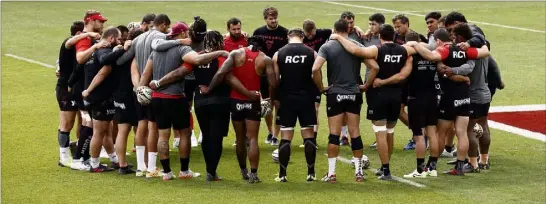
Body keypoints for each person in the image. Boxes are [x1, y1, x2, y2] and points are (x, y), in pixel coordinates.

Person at [139, 22, 228, 180]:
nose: (189, 36)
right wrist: (219, 52)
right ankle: (184, 171)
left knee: (163, 135)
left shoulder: (156, 51)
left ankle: (166, 173)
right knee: (185, 133)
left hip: (157, 98)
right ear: (181, 34)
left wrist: (140, 89)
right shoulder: (182, 49)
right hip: (175, 97)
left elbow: (146, 73)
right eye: (186, 33)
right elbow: (196, 61)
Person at [330, 24, 416, 180]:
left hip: (378, 95)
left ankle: (386, 170)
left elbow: (356, 50)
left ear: (380, 37)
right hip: (396, 95)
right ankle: (385, 167)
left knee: (380, 133)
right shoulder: (403, 50)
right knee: (390, 131)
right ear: (394, 36)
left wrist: (338, 37)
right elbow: (415, 53)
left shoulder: (377, 50)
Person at [408, 28, 490, 176]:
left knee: (440, 134)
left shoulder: (444, 50)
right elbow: (484, 52)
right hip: (464, 95)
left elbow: (431, 56)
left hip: (449, 96)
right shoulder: (464, 49)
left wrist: (415, 44)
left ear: (439, 40)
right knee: (462, 132)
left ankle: (431, 166)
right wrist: (483, 45)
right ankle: (459, 167)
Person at [206, 36, 276, 184]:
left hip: (236, 101)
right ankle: (253, 174)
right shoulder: (265, 59)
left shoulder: (236, 54)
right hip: (253, 101)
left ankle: (243, 170)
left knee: (239, 138)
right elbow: (272, 83)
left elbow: (220, 74)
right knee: (252, 139)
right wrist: (270, 101)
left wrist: (209, 90)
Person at [315, 20, 376, 183]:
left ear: (334, 30)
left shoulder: (327, 46)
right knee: (355, 133)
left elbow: (315, 69)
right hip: (354, 93)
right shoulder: (356, 46)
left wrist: (321, 87)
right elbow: (375, 67)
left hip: (335, 94)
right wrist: (365, 86)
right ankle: (358, 173)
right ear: (348, 30)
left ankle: (332, 174)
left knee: (334, 135)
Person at [116, 13, 171, 177]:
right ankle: (152, 168)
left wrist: (121, 47)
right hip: (155, 87)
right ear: (162, 24)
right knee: (153, 127)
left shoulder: (138, 40)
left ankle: (141, 167)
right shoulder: (163, 37)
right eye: (167, 26)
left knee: (141, 125)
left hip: (139, 89)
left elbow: (121, 60)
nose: (167, 29)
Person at [272, 28, 318, 182]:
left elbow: (276, 80)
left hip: (287, 99)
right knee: (308, 135)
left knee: (286, 136)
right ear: (302, 37)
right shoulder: (312, 53)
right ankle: (311, 173)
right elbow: (315, 75)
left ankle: (282, 175)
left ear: (288, 37)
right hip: (306, 98)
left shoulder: (279, 54)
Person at [67, 10, 109, 171]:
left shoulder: (89, 37)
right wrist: (97, 46)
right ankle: (78, 159)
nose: (102, 24)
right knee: (89, 122)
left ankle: (83, 157)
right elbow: (80, 58)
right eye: (100, 22)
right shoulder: (85, 38)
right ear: (91, 21)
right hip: (81, 87)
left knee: (88, 122)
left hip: (83, 85)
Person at [81, 26, 127, 172]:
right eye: (118, 38)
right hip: (100, 98)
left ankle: (115, 160)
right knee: (99, 132)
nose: (120, 41)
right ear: (111, 38)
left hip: (99, 97)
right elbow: (105, 60)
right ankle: (94, 164)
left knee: (107, 130)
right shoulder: (103, 50)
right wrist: (122, 49)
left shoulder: (98, 51)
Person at [402, 32, 439, 178]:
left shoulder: (411, 57)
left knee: (418, 135)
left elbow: (404, 75)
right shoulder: (431, 54)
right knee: (432, 133)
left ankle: (419, 170)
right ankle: (433, 168)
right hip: (432, 97)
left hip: (416, 98)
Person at [252, 6, 288, 146]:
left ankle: (275, 135)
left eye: (275, 18)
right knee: (267, 104)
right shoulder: (258, 32)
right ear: (265, 19)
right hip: (263, 74)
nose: (273, 20)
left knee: (278, 104)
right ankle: (270, 130)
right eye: (270, 18)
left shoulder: (284, 33)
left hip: (279, 73)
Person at [56, 21, 87, 167]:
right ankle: (63, 155)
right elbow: (69, 42)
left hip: (78, 89)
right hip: (65, 90)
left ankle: (79, 152)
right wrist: (88, 34)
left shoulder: (80, 49)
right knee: (67, 122)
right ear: (79, 34)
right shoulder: (67, 44)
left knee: (83, 121)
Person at [113, 27, 143, 174]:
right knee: (139, 128)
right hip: (129, 95)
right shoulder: (133, 54)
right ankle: (142, 163)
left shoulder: (118, 52)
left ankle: (122, 164)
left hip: (118, 94)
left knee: (122, 130)